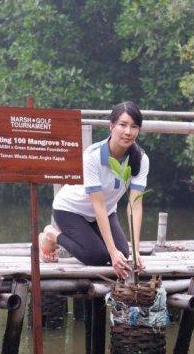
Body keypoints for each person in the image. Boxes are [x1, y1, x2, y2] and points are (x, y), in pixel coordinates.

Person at [40, 101, 149, 280]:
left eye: (134, 126)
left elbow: (135, 206)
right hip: (70, 209)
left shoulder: (141, 159)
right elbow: (97, 204)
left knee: (124, 253)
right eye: (122, 125)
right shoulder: (93, 156)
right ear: (111, 126)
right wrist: (111, 252)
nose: (128, 132)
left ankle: (121, 251)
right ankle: (52, 234)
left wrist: (136, 251)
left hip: (105, 211)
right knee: (97, 256)